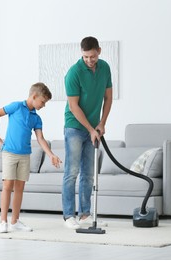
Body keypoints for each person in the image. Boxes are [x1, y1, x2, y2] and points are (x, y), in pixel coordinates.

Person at [0, 82, 61, 233]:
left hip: (25, 155)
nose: (43, 105)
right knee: (7, 186)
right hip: (9, 152)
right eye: (43, 102)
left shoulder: (36, 118)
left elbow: (41, 139)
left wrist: (51, 155)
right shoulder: (16, 106)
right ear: (34, 96)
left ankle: (15, 221)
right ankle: (3, 222)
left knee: (19, 188)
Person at [62, 36, 113, 229]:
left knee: (88, 174)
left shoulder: (105, 68)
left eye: (92, 56)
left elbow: (108, 98)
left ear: (99, 51)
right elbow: (74, 107)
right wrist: (91, 129)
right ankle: (68, 216)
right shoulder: (74, 73)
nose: (89, 60)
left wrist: (102, 123)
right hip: (74, 126)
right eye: (85, 57)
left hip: (94, 127)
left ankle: (84, 214)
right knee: (72, 172)